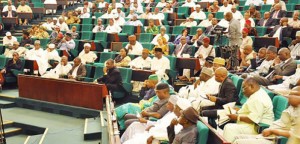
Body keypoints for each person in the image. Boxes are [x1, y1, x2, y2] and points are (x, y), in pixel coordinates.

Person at [232, 87, 300, 144]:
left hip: (275, 139)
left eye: (295, 95)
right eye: (290, 94)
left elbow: (294, 135)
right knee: (236, 137)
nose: (289, 97)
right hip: (268, 135)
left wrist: (272, 131)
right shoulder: (292, 107)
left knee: (238, 142)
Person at [223, 78, 274, 142]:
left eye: (244, 88)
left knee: (229, 128)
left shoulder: (257, 98)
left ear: (252, 86)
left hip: (258, 127)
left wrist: (237, 117)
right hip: (253, 124)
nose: (242, 91)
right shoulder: (257, 93)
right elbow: (251, 110)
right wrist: (240, 110)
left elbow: (253, 119)